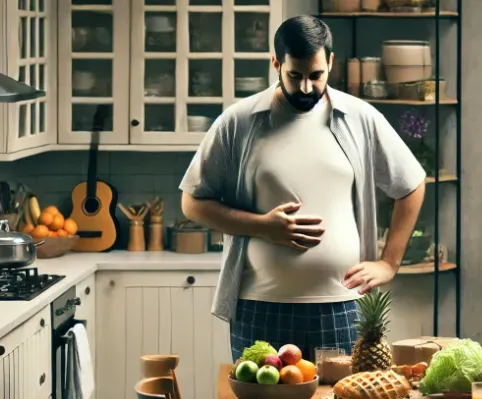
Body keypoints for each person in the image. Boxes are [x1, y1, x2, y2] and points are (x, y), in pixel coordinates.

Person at [179, 15, 426, 363]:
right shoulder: (237, 122)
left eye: (316, 75)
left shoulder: (360, 117)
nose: (306, 87)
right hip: (259, 306)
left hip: (343, 305)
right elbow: (192, 203)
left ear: (331, 63)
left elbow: (411, 185)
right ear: (276, 63)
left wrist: (389, 262)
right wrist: (263, 226)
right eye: (295, 76)